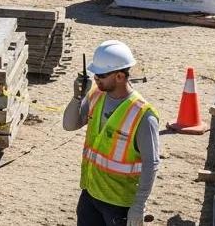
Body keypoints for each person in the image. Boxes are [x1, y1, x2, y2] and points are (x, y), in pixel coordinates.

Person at [63, 40, 159, 226]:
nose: (96, 79)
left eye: (101, 75)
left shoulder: (143, 115)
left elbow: (151, 163)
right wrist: (77, 97)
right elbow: (69, 125)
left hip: (119, 204)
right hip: (90, 194)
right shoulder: (96, 96)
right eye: (95, 74)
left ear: (120, 76)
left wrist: (138, 206)